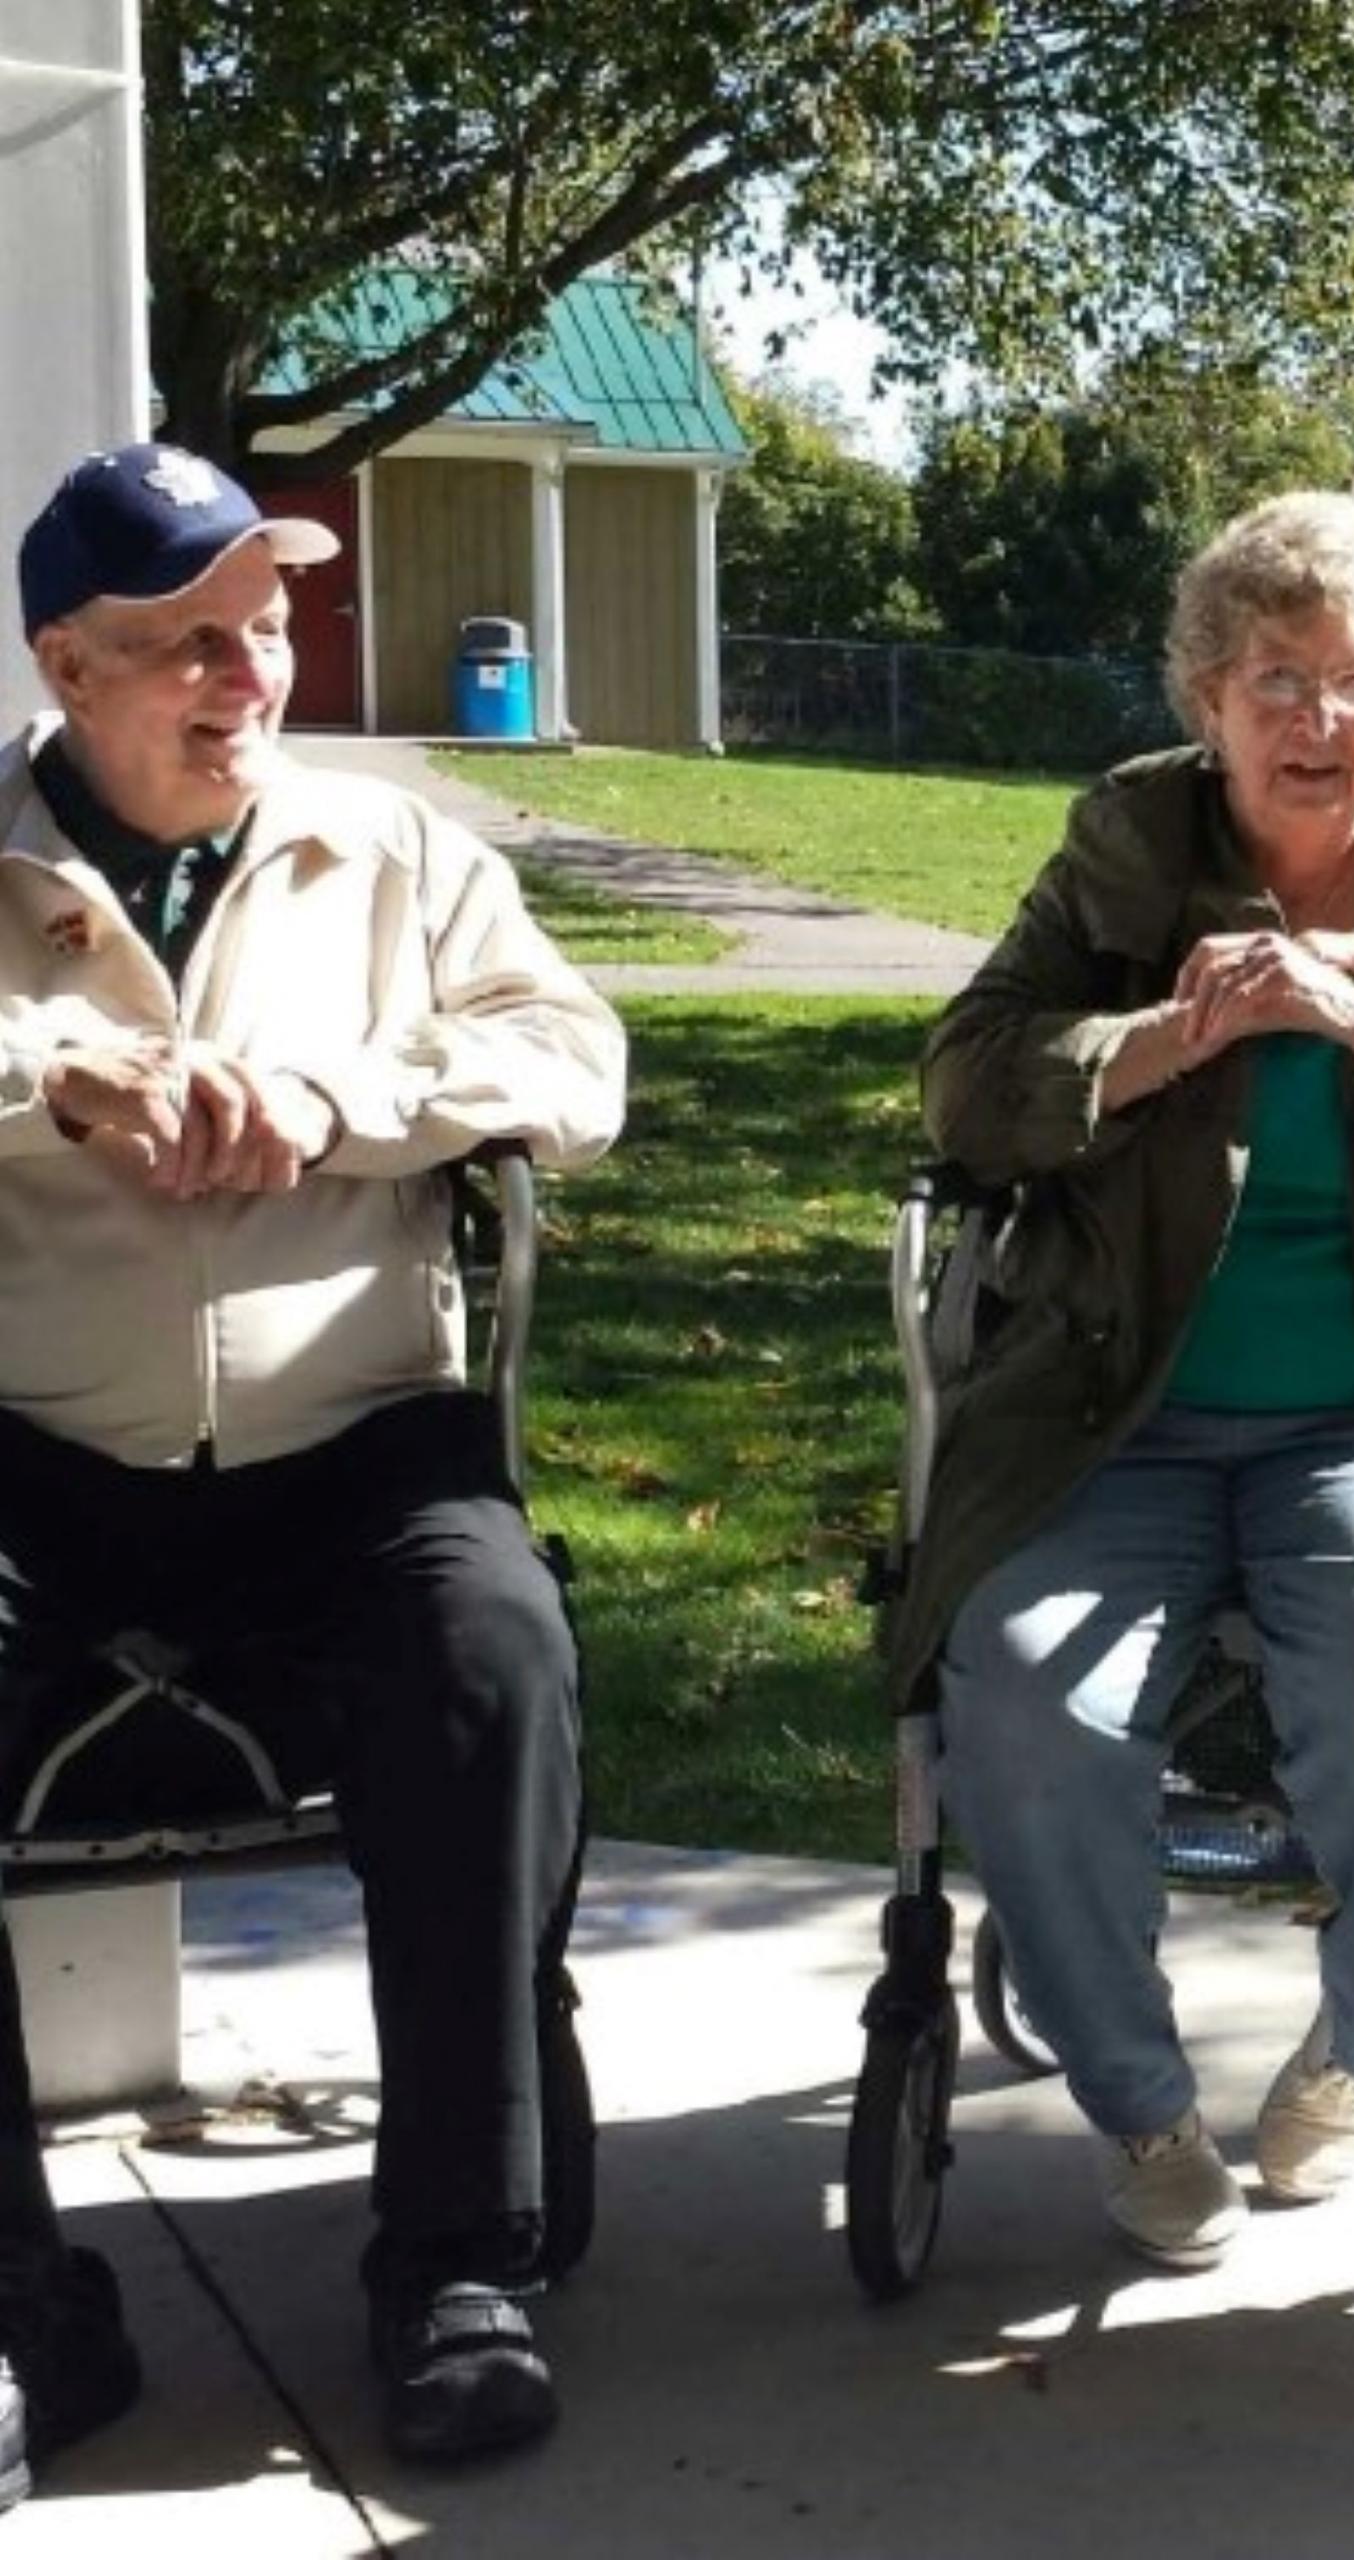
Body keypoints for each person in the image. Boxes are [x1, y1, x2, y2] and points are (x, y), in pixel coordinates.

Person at [883, 475, 1354, 2270]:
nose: (1320, 719)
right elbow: (967, 1083)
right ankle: (1143, 2109)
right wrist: (1183, 1028)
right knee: (1022, 1708)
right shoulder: (1127, 857)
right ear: (1209, 698)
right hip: (1112, 1411)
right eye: (1278, 679)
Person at [0, 444, 625, 2493]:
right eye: (185, 640)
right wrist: (52, 1081)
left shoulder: (391, 848)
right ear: (63, 664)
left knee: (489, 1649)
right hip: (39, 1467)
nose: (243, 673)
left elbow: (571, 1061)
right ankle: (24, 2311)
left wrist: (327, 1097)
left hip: (358, 1450)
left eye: (264, 628)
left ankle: (457, 2266)